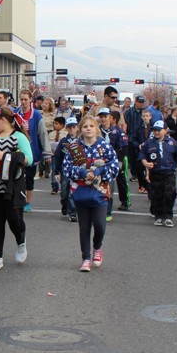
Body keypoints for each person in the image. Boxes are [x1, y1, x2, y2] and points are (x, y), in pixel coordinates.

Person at [63, 115, 119, 271]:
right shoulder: (74, 147)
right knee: (84, 227)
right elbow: (66, 168)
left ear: (96, 129)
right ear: (80, 129)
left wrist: (100, 170)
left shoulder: (105, 146)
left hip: (100, 191)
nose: (88, 128)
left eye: (91, 126)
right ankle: (85, 258)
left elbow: (114, 166)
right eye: (85, 126)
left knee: (100, 225)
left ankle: (97, 247)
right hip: (81, 191)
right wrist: (81, 172)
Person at [0, 106, 33, 270]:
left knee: (14, 219)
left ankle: (21, 240)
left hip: (12, 185)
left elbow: (28, 159)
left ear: (4, 120)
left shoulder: (18, 137)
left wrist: (6, 156)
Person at [139, 120, 177, 227]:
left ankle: (168, 216)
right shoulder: (149, 143)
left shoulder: (172, 143)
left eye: (159, 130)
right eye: (155, 130)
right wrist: (146, 164)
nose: (156, 133)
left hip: (169, 172)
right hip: (155, 173)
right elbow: (142, 156)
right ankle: (158, 216)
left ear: (165, 131)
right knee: (156, 195)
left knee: (169, 193)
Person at [54, 117, 79, 222]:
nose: (72, 130)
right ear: (67, 129)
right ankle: (64, 204)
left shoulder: (81, 140)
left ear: (77, 128)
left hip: (77, 170)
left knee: (73, 192)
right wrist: (56, 172)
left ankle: (72, 212)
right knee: (64, 191)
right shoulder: (64, 141)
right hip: (65, 170)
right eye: (70, 128)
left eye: (74, 127)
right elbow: (58, 157)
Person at [132, 109, 154, 194]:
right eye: (144, 116)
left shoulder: (153, 127)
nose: (145, 118)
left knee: (150, 168)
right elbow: (133, 139)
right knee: (140, 169)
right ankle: (142, 185)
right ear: (141, 117)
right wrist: (138, 145)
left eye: (147, 116)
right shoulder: (138, 127)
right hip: (141, 151)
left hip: (151, 150)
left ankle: (149, 187)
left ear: (150, 117)